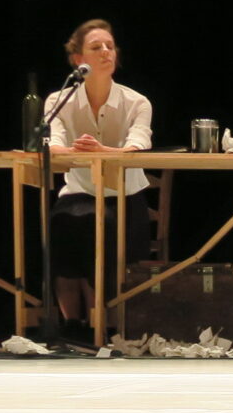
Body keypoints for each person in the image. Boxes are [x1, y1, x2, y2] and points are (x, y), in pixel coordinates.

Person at [40, 19, 155, 338]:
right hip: (80, 192)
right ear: (78, 59)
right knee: (64, 223)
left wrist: (103, 151)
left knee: (99, 226)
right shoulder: (59, 100)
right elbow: (52, 143)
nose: (106, 52)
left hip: (124, 196)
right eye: (96, 47)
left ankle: (98, 323)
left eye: (110, 46)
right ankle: (72, 323)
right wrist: (72, 150)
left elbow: (138, 144)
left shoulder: (137, 102)